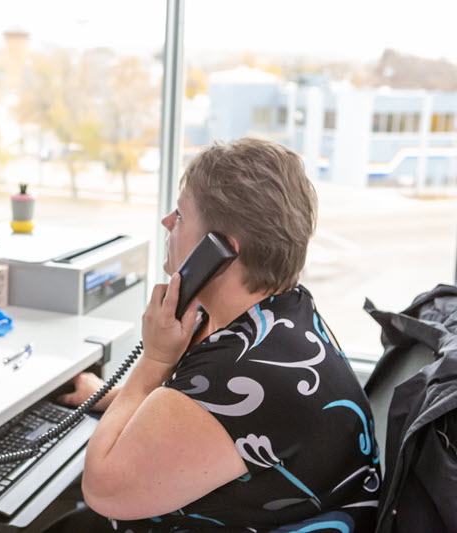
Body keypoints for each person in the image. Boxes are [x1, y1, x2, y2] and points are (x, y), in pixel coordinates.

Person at [58, 138, 381, 532]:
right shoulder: (283, 314)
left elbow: (103, 488)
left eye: (179, 215)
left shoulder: (243, 370)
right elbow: (202, 418)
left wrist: (155, 360)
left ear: (220, 251)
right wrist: (111, 397)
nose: (166, 222)